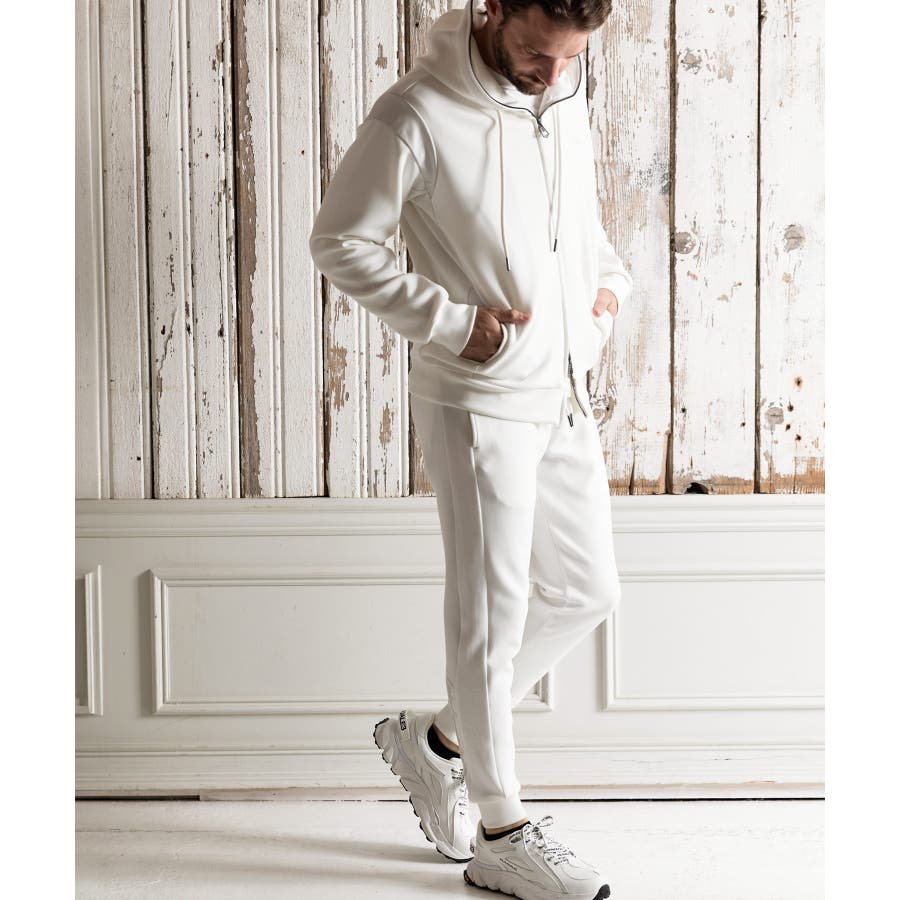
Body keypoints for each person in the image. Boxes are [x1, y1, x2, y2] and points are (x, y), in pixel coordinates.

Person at [309, 1, 630, 896]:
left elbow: (576, 228)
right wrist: (456, 326)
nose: (552, 74)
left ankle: (438, 740)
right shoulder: (416, 112)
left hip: (563, 388)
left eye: (569, 59)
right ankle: (501, 827)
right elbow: (340, 240)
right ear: (493, 10)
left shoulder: (562, 93)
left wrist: (604, 294)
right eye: (535, 52)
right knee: (491, 618)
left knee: (587, 590)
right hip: (479, 398)